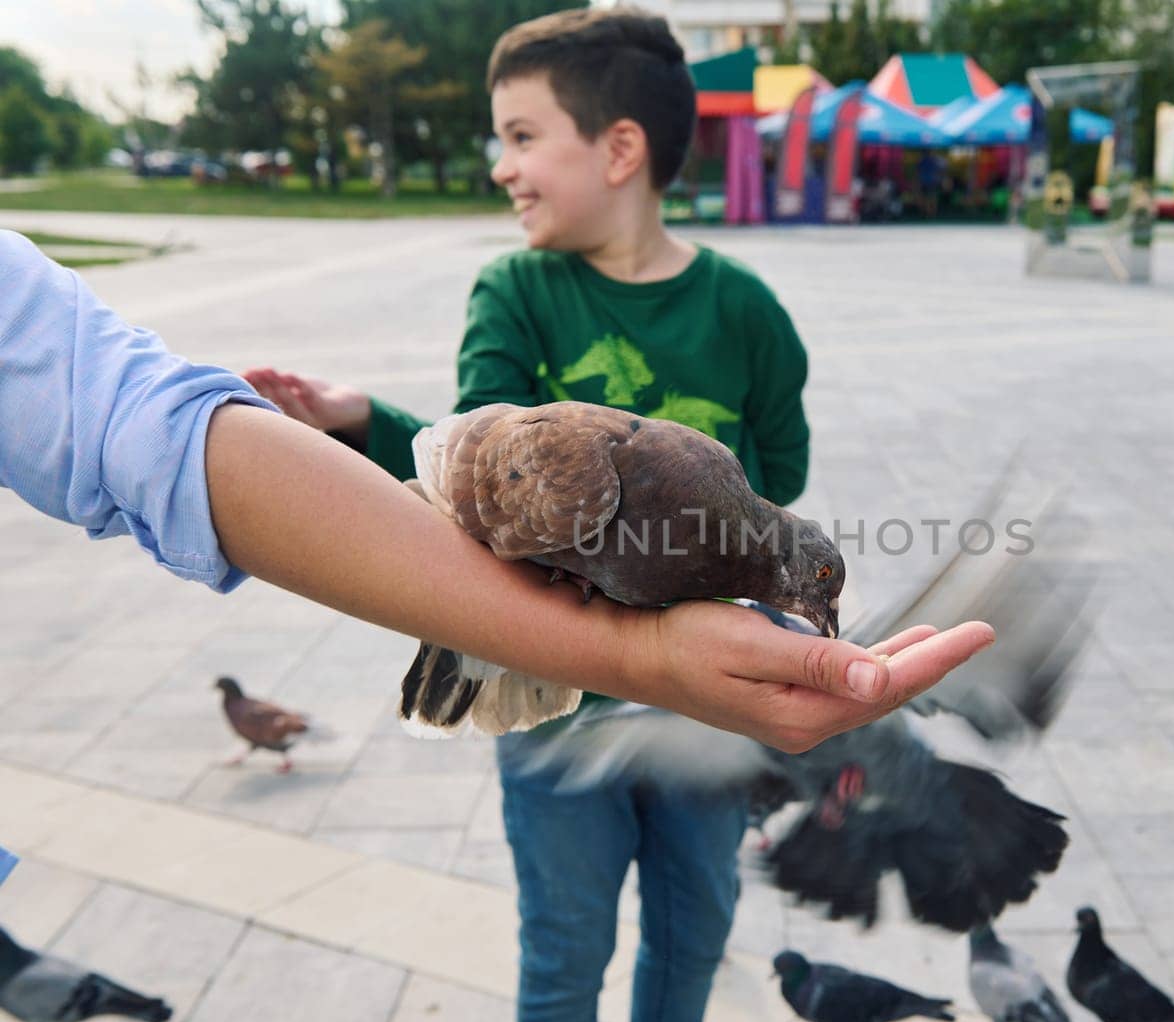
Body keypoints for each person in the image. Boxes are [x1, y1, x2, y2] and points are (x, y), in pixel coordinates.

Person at [242, 9, 913, 1022]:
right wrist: (368, 422)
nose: (499, 165)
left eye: (519, 136)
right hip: (556, 701)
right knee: (565, 947)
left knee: (695, 935)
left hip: (703, 710)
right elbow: (477, 487)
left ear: (618, 149)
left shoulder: (744, 312)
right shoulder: (517, 294)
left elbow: (775, 481)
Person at [0, 228, 994, 756]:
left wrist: (649, 650)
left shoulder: (729, 517)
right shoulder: (651, 473)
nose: (814, 605)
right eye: (816, 585)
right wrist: (632, 652)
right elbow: (471, 452)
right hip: (515, 516)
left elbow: (138, 424)